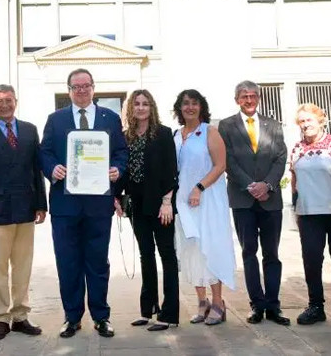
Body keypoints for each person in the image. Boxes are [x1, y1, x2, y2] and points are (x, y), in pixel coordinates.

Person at [39, 68, 128, 338]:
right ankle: (72, 317)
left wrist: (116, 169)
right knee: (68, 262)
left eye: (86, 86)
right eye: (76, 87)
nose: (81, 90)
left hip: (98, 205)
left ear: (93, 88)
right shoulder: (55, 119)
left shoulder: (110, 118)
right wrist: (52, 168)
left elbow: (121, 152)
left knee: (98, 262)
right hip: (65, 206)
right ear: (69, 90)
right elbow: (44, 152)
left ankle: (101, 317)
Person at [0, 84, 47, 341]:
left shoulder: (29, 130)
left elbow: (36, 171)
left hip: (26, 209)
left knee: (23, 266)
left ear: (16, 101)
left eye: (9, 100)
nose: (5, 105)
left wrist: (41, 204)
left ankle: (21, 315)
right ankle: (1, 318)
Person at [218, 81, 289, 326]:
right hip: (243, 200)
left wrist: (267, 185)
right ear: (237, 99)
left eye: (253, 96)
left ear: (258, 98)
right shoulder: (226, 126)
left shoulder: (274, 124)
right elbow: (226, 159)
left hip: (271, 200)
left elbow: (281, 158)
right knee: (249, 253)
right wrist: (251, 186)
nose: (249, 100)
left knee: (272, 254)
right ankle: (256, 305)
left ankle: (273, 306)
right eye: (244, 96)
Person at [116, 89, 179, 331]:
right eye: (137, 104)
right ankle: (148, 309)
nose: (141, 108)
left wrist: (167, 202)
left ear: (151, 108)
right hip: (135, 205)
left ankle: (170, 313)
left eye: (145, 104)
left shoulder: (163, 134)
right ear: (131, 108)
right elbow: (123, 171)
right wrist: (116, 197)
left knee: (166, 254)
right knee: (145, 254)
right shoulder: (126, 136)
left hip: (160, 203)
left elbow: (171, 170)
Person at [172, 89, 236, 326]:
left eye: (194, 103)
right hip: (184, 202)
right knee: (191, 249)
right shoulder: (176, 136)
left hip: (208, 199)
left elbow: (220, 166)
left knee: (211, 246)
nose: (190, 107)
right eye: (185, 103)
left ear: (201, 107)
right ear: (179, 108)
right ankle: (202, 302)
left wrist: (199, 188)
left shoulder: (210, 132)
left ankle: (218, 302)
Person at [288, 103, 331, 326]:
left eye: (309, 120)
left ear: (321, 120)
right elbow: (294, 180)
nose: (306, 125)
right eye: (302, 122)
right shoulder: (296, 148)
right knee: (312, 260)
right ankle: (315, 305)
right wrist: (296, 207)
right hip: (308, 213)